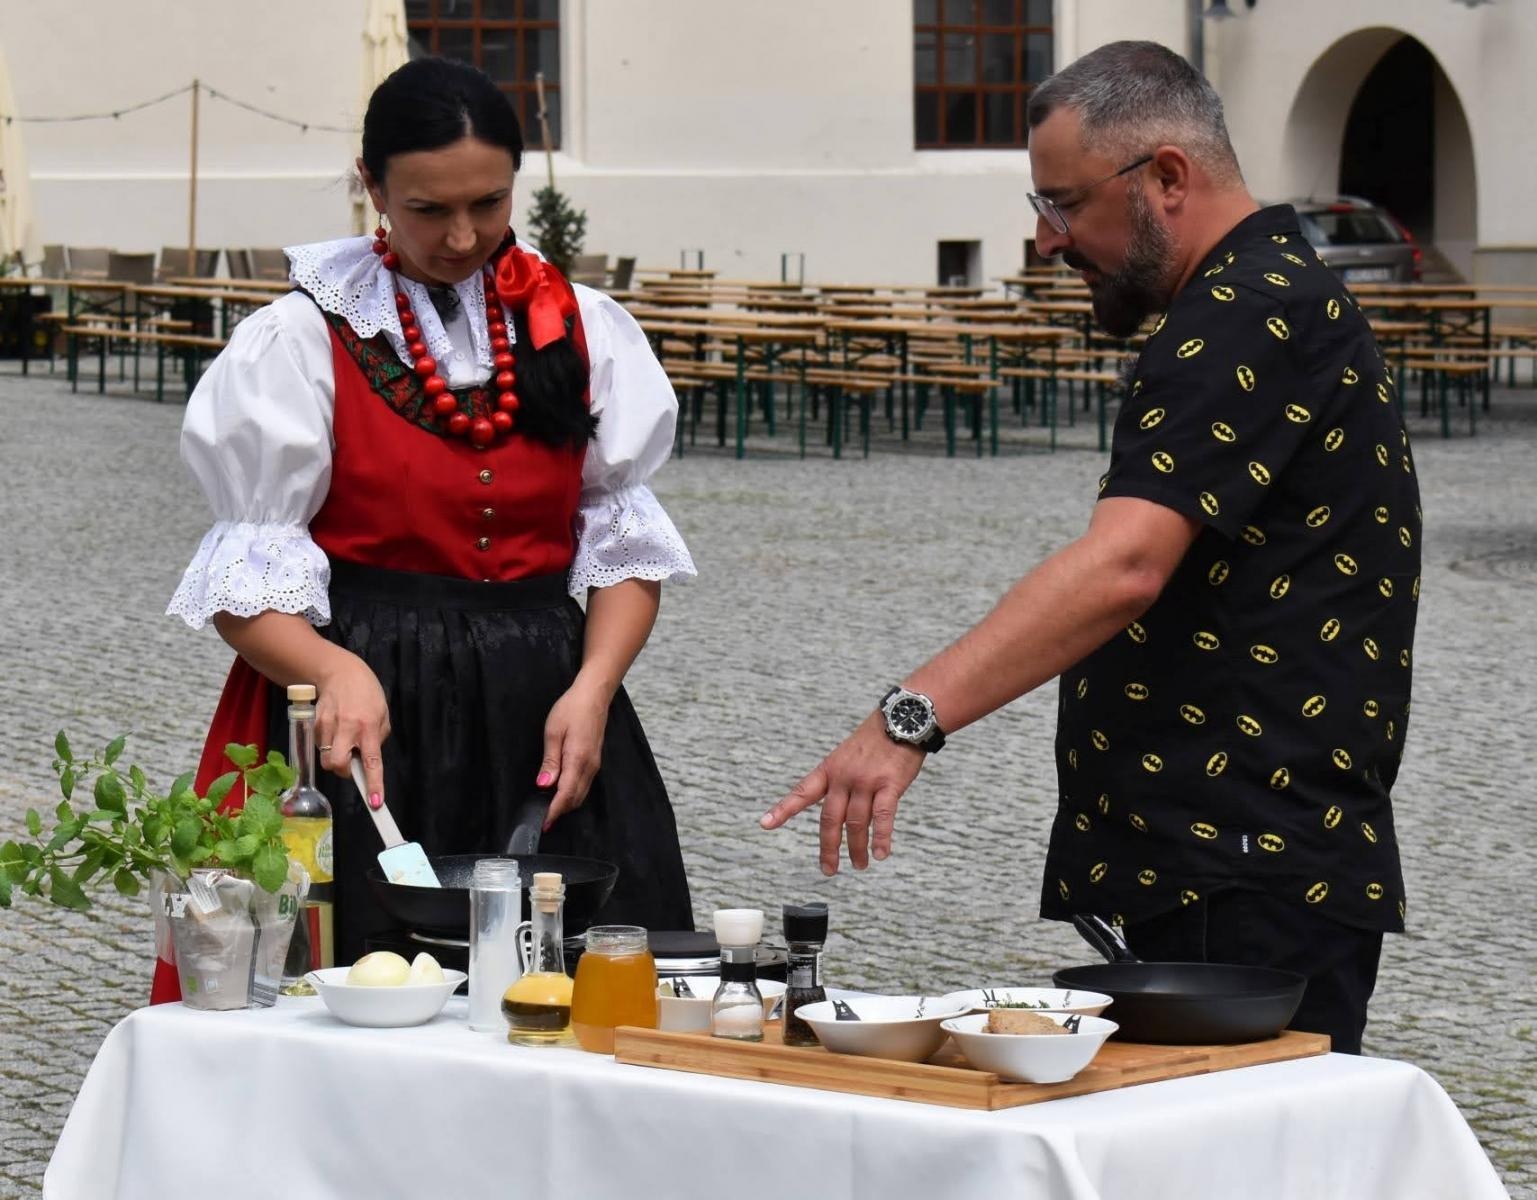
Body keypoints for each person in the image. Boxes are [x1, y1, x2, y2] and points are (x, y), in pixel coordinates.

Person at [760, 41, 1420, 1054]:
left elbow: (1124, 564)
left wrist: (908, 718)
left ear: (1164, 177)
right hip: (1229, 867)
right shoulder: (1256, 300)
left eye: (1063, 204)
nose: (1045, 238)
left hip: (1242, 872)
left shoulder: (1247, 311)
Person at [161, 57, 696, 999]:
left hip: (546, 711)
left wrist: (596, 687)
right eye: (427, 210)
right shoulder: (298, 341)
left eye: (488, 205)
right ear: (370, 186)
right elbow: (244, 589)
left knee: (577, 995)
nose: (461, 236)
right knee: (351, 987)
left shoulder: (582, 328)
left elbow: (619, 544)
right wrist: (328, 667)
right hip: (364, 719)